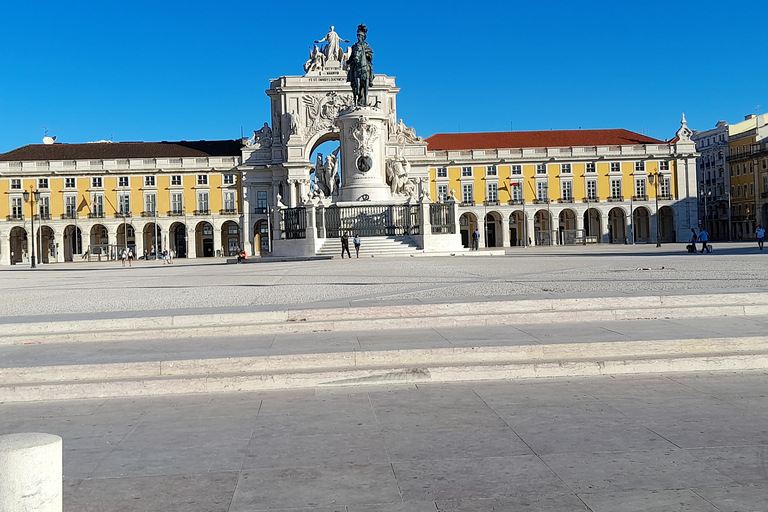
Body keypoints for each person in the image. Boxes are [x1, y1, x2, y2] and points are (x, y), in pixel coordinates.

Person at [346, 24, 374, 107]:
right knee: (352, 70)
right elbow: (351, 56)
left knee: (370, 68)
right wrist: (349, 61)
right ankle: (352, 81)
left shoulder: (366, 45)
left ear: (363, 37)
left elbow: (371, 53)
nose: (359, 37)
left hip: (365, 62)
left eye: (360, 36)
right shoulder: (354, 46)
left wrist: (368, 55)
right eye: (358, 36)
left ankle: (371, 80)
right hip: (356, 63)